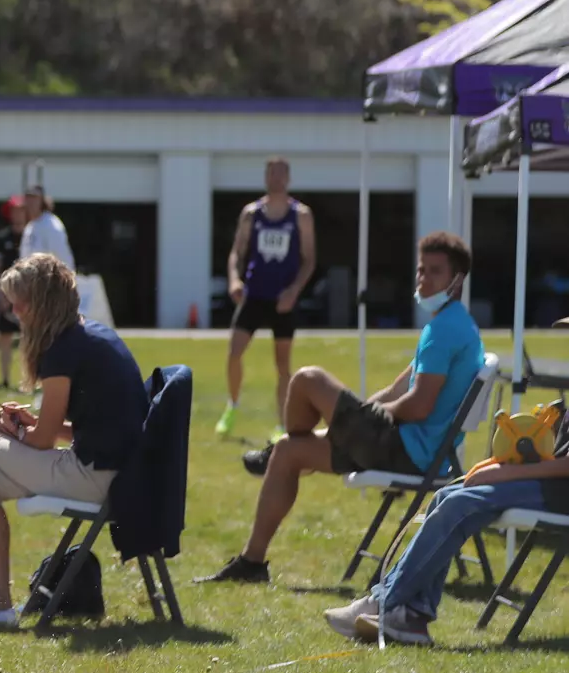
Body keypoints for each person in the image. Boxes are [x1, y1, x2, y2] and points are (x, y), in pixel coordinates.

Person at [200, 231, 483, 585]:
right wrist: (362, 415)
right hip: (417, 450)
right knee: (288, 451)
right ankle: (251, 563)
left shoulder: (443, 330)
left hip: (410, 452)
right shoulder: (454, 324)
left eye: (435, 271)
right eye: (421, 270)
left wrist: (372, 418)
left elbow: (418, 406)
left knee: (307, 379)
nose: (423, 279)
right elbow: (398, 388)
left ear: (457, 280)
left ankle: (276, 451)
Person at [0, 254, 149, 627]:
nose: (14, 310)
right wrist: (29, 424)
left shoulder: (62, 350)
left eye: (21, 302)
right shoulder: (89, 336)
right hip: (119, 473)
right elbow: (89, 427)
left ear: (44, 303)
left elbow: (41, 443)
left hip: (99, 477)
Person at [323, 406, 569, 646]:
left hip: (559, 494)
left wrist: (507, 473)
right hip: (551, 485)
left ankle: (384, 601)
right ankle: (413, 616)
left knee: (458, 504)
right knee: (445, 496)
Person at [216, 157, 317, 440]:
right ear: (265, 177)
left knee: (282, 365)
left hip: (283, 299)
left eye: (281, 174)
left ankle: (281, 425)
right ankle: (232, 406)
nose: (276, 179)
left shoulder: (301, 215)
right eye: (271, 173)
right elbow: (236, 253)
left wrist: (294, 291)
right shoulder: (252, 214)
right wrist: (234, 280)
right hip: (254, 294)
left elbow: (309, 260)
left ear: (288, 178)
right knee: (234, 352)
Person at [0, 196, 29, 388]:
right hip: (7, 293)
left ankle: (27, 380)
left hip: (28, 294)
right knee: (4, 336)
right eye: (14, 211)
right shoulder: (1, 238)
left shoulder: (32, 235)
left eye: (21, 210)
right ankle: (5, 379)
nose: (17, 214)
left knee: (29, 338)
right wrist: (0, 295)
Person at [18, 186, 74, 269]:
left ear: (42, 200)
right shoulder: (30, 226)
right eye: (28, 197)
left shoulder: (51, 225)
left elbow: (64, 260)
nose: (31, 202)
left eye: (34, 198)